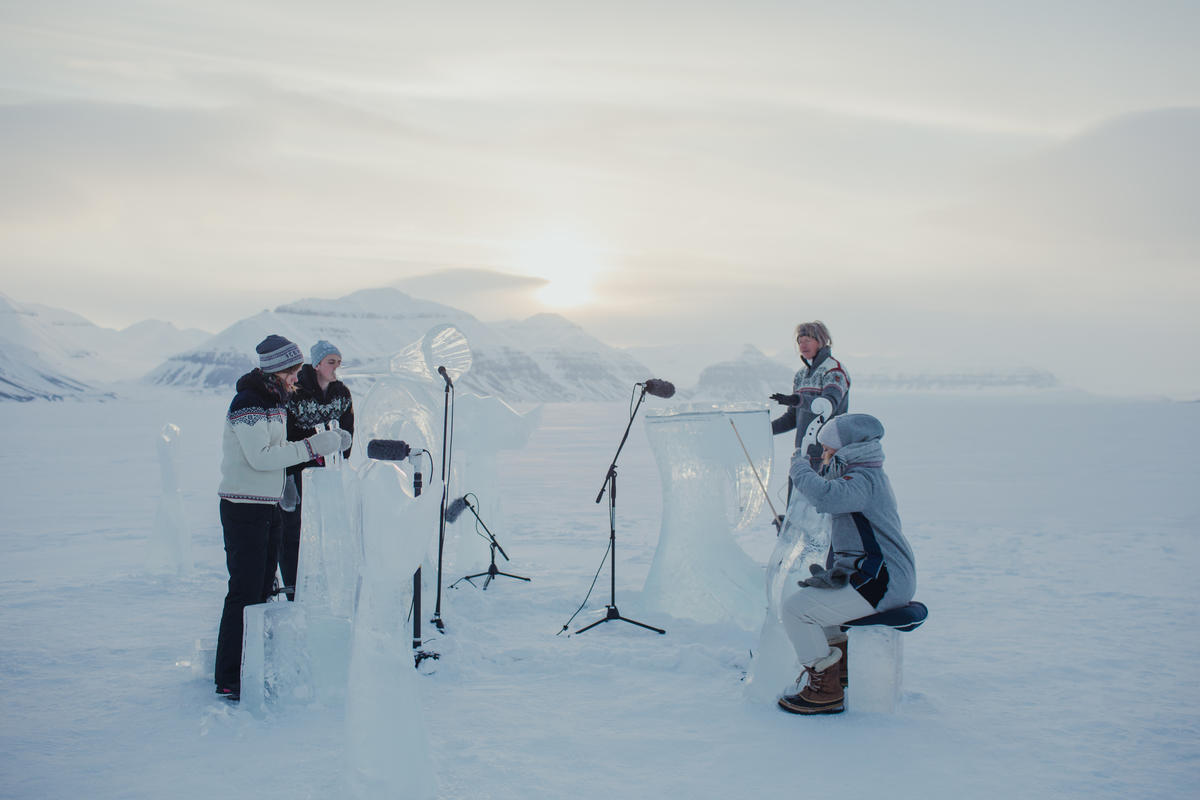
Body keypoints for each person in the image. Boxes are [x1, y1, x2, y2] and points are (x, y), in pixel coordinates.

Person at [213, 335, 350, 701]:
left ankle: (254, 666)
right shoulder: (249, 404)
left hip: (267, 505)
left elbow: (279, 452)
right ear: (277, 371)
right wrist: (311, 447)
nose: (297, 377)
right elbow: (261, 456)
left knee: (262, 591)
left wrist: (315, 452)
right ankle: (230, 676)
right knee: (244, 592)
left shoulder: (274, 402)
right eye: (293, 371)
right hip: (244, 508)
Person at [777, 413, 915, 715]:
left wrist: (799, 466)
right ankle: (840, 672)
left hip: (884, 580)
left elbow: (826, 497)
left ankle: (824, 689)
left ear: (846, 448)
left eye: (828, 449)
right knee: (818, 607)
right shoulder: (861, 475)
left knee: (795, 610)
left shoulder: (863, 479)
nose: (824, 455)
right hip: (875, 575)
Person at [279, 339, 355, 601]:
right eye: (331, 362)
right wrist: (287, 476)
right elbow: (286, 433)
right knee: (293, 529)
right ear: (318, 364)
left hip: (327, 470)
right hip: (297, 466)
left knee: (326, 526)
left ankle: (324, 584)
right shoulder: (297, 392)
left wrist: (343, 454)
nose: (336, 367)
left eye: (338, 362)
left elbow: (348, 428)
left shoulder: (341, 393)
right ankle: (292, 586)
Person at [770, 320, 850, 472]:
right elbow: (792, 418)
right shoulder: (801, 375)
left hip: (827, 456)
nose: (803, 345)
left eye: (808, 340)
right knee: (795, 496)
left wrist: (797, 400)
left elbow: (828, 405)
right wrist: (765, 430)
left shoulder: (834, 371)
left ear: (821, 341)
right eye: (800, 342)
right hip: (803, 454)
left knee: (820, 495)